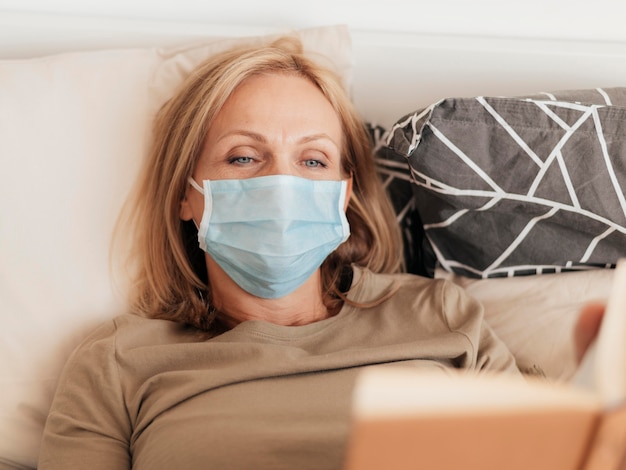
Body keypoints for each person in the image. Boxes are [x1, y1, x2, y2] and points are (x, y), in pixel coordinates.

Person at [37, 36, 599, 469]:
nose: (282, 183)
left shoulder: (440, 315)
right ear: (187, 194)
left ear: (344, 193)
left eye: (312, 161)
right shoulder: (117, 363)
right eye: (242, 158)